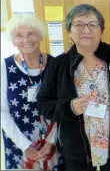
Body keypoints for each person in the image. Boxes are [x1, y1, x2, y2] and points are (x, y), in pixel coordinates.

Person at [37, 4, 110, 170]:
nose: (86, 30)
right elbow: (43, 103)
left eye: (92, 24)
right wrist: (69, 107)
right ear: (69, 30)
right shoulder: (59, 64)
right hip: (77, 155)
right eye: (79, 24)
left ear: (101, 29)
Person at [1, 14, 64, 170]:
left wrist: (51, 140)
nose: (26, 40)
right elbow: (2, 112)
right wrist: (25, 146)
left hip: (53, 143)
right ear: (12, 40)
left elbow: (63, 106)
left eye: (31, 33)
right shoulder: (4, 67)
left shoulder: (56, 65)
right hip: (19, 145)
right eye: (19, 35)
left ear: (40, 35)